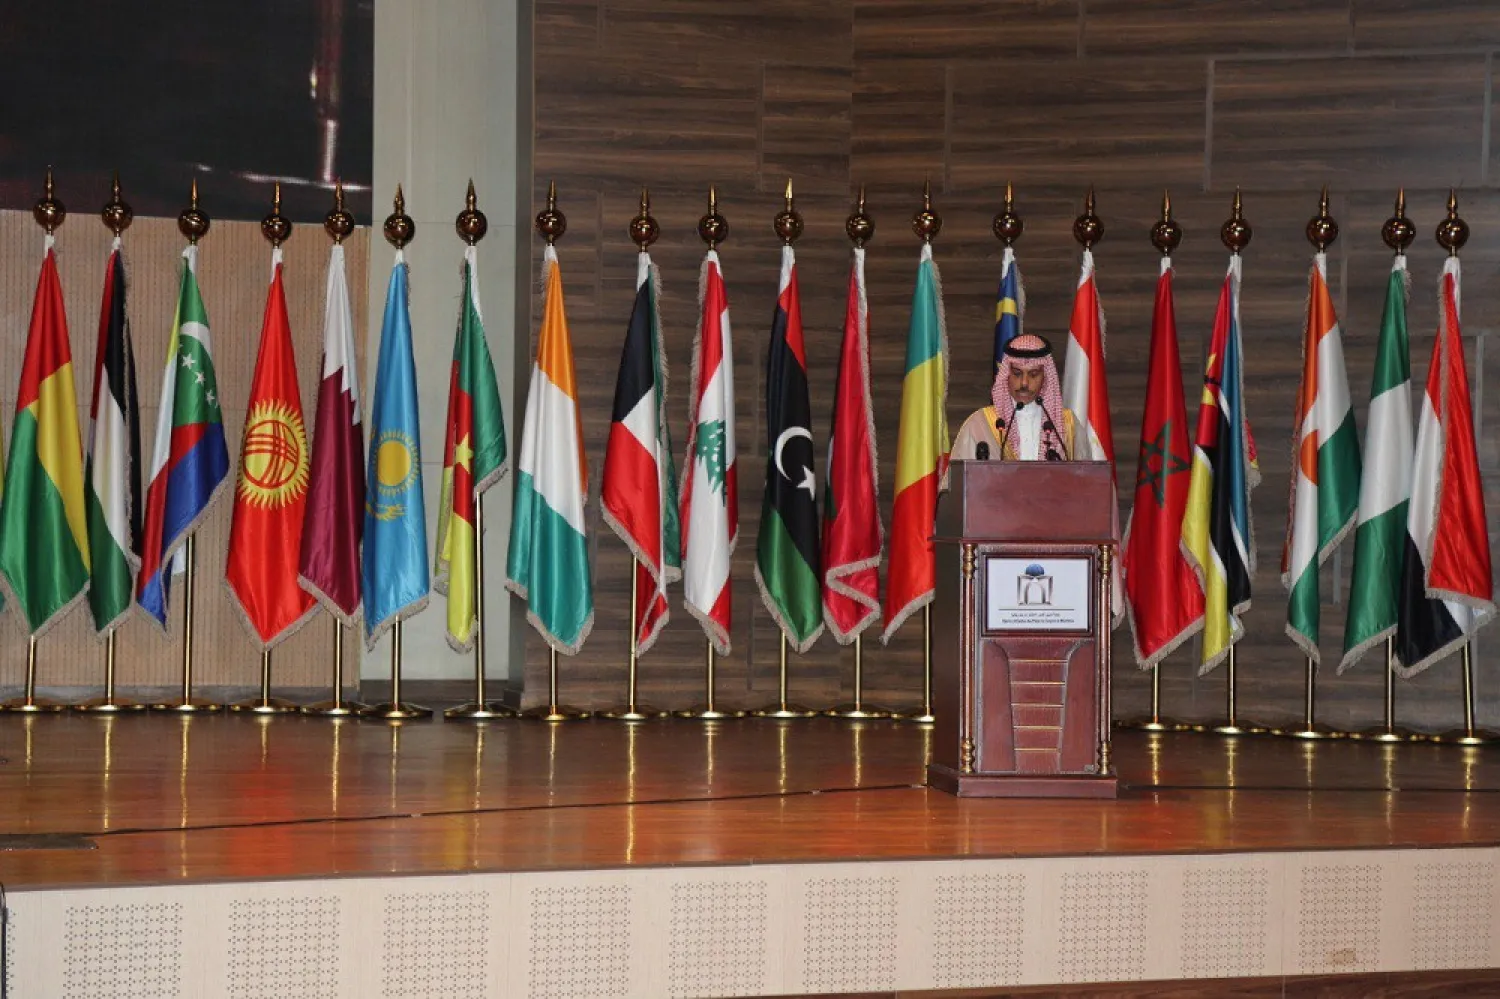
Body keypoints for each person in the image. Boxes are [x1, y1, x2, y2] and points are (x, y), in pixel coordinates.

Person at [951, 333, 1075, 462]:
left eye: (1033, 374)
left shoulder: (1067, 425)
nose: (1024, 383)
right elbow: (959, 473)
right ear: (1006, 375)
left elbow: (1085, 471)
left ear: (1045, 377)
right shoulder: (979, 424)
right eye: (1017, 373)